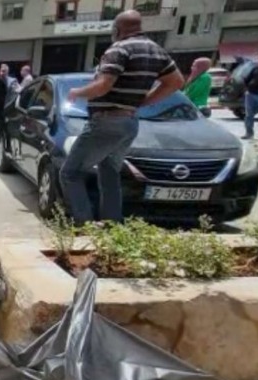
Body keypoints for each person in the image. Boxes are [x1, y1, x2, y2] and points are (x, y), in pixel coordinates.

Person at [63, 10, 184, 226]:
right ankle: (113, 225)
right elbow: (176, 81)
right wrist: (142, 102)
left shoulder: (119, 48)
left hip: (106, 121)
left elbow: (104, 85)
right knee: (109, 172)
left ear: (117, 30)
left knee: (71, 173)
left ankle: (85, 227)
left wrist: (77, 93)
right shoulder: (157, 51)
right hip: (129, 123)